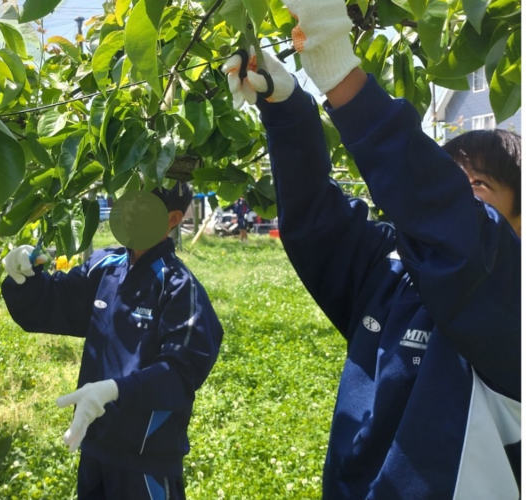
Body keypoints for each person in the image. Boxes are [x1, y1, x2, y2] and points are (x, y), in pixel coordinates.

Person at [222, 1, 520, 498]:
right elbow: (318, 225)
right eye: (454, 178)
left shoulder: (513, 300)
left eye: (481, 185)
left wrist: (339, 70)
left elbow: (450, 222)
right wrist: (288, 108)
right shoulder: (394, 274)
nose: (462, 192)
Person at [1, 182, 224, 500]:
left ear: (173, 219)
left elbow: (181, 372)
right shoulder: (105, 266)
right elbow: (53, 305)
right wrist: (25, 277)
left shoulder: (178, 287)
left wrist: (117, 390)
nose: (131, 214)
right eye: (128, 202)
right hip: (95, 443)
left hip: (144, 458)